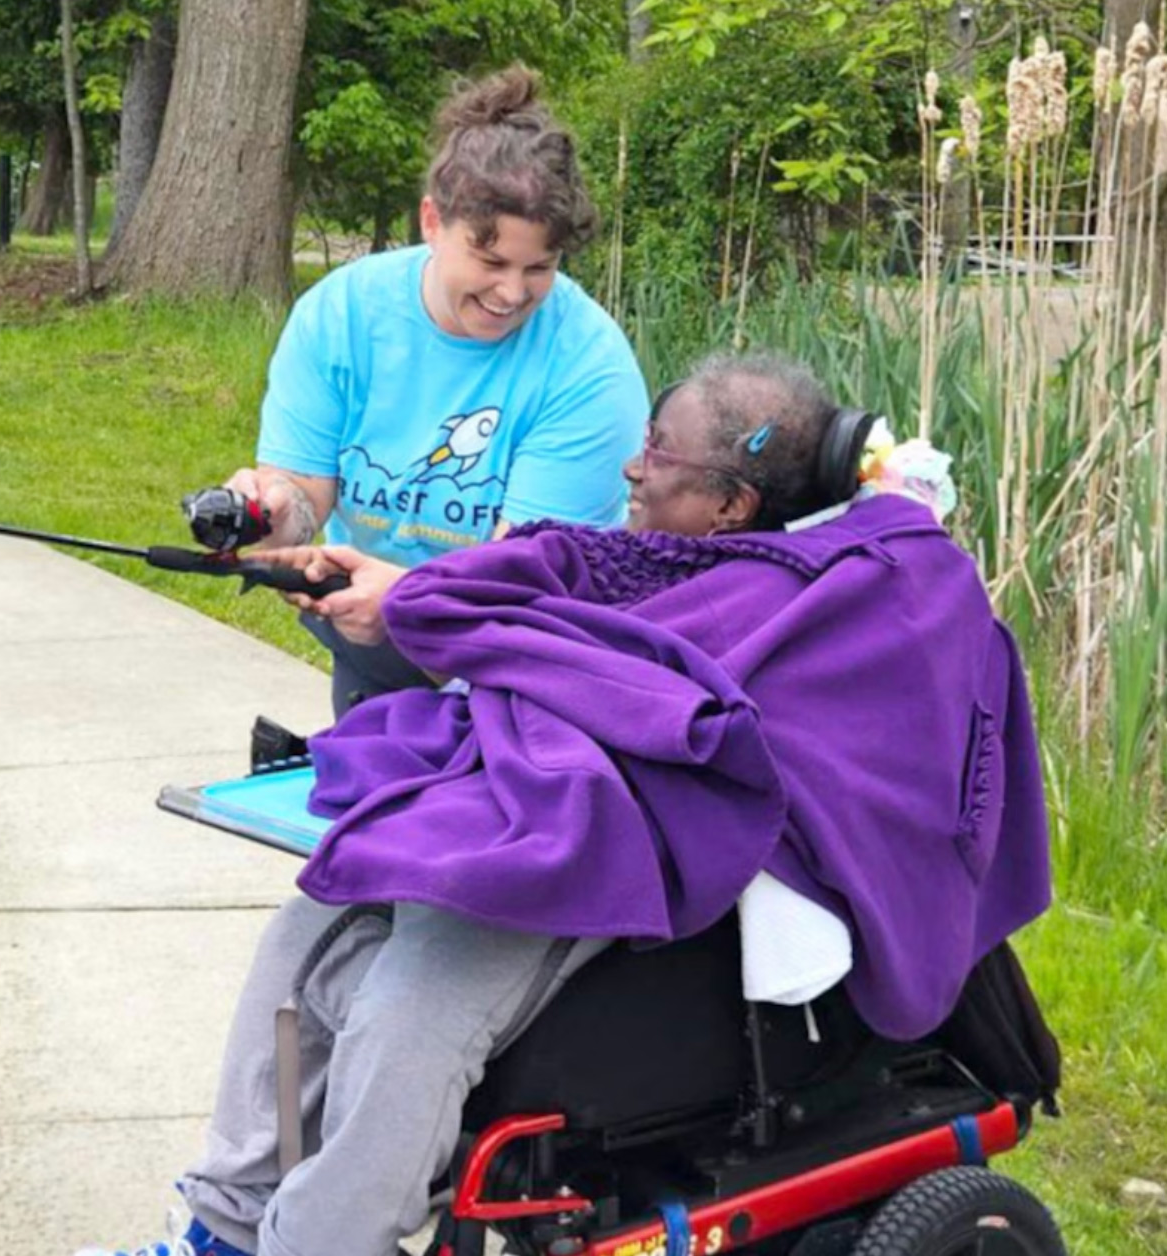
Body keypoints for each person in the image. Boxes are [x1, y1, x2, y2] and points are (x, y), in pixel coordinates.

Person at [89, 354, 1051, 1256]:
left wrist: (446, 624)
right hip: (535, 793)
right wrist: (408, 595)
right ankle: (224, 1220)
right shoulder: (663, 557)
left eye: (659, 455)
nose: (633, 466)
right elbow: (553, 603)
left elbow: (656, 696)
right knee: (309, 931)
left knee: (409, 998)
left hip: (636, 838)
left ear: (729, 503)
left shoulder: (797, 596)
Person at [223, 66, 648, 716]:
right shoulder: (342, 314)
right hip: (375, 639)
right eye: (491, 261)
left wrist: (406, 603)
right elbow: (306, 499)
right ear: (431, 220)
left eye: (540, 268)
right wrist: (276, 511)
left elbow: (524, 585)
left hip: (537, 672)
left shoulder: (591, 367)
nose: (512, 293)